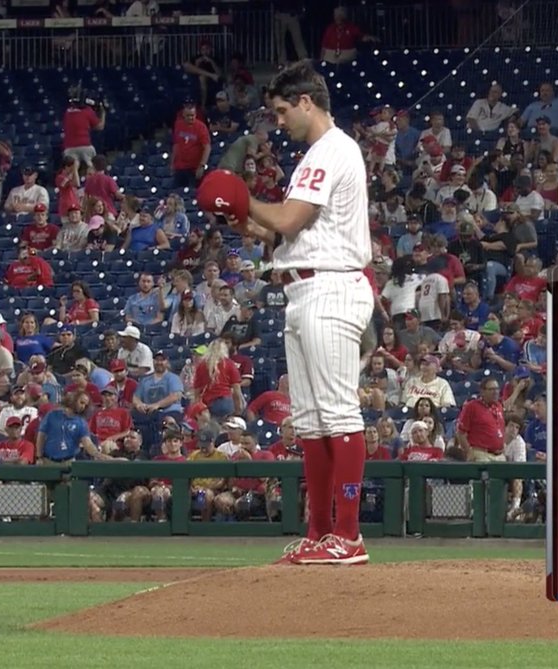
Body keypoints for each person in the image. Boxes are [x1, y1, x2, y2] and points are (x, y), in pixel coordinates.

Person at [198, 62, 374, 566]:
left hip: (330, 287)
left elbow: (290, 218)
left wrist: (242, 195)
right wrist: (242, 220)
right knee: (312, 422)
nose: (278, 121)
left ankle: (348, 536)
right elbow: (281, 234)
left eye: (282, 110)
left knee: (338, 414)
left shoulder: (331, 149)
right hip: (305, 287)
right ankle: (320, 534)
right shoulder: (317, 156)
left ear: (306, 102)